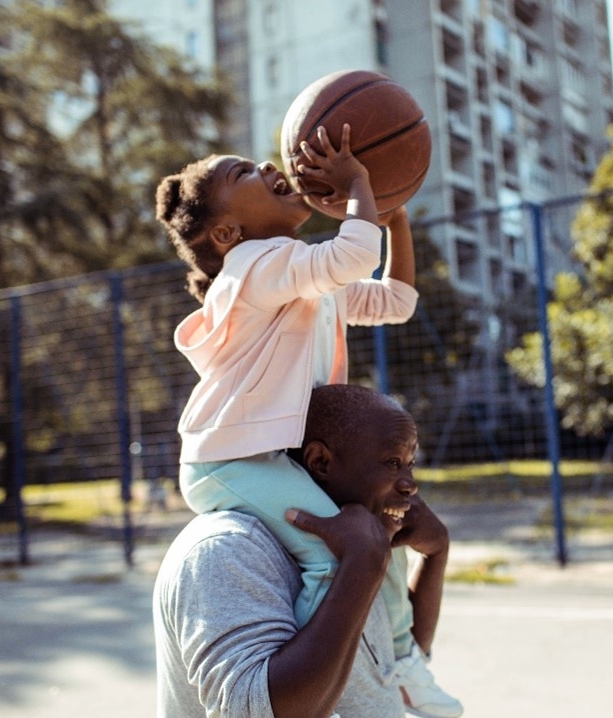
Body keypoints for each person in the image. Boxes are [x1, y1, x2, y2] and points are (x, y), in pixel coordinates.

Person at [154, 126, 462, 718]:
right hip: (229, 462)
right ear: (226, 233)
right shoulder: (252, 265)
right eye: (242, 173)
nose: (268, 166)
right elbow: (352, 255)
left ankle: (400, 665)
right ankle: (315, 686)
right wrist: (356, 186)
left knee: (383, 534)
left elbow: (395, 299)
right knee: (339, 555)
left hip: (270, 455)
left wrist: (393, 220)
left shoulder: (300, 281)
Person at [153, 384, 453, 717]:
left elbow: (393, 663)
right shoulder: (226, 549)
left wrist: (435, 554)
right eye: (393, 463)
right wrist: (360, 570)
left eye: (410, 464)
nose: (410, 483)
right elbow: (257, 711)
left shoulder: (360, 534)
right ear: (320, 462)